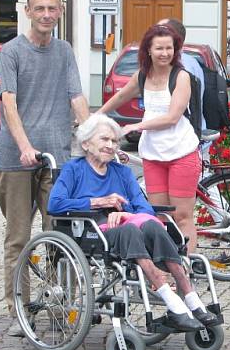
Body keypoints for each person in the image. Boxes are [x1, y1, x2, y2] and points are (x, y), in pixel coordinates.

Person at [48, 114, 218, 330]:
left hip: (129, 226)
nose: (110, 146)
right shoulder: (74, 169)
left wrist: (127, 215)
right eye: (104, 140)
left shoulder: (123, 172)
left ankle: (191, 299)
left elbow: (144, 208)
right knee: (131, 231)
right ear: (86, 144)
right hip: (92, 230)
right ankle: (172, 301)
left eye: (114, 141)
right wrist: (98, 202)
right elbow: (55, 204)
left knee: (153, 225)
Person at [0, 0, 90, 338]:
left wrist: (94, 135)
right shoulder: (12, 52)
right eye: (40, 9)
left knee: (61, 235)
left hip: (57, 159)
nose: (46, 15)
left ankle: (58, 304)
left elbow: (77, 96)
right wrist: (23, 145)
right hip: (16, 158)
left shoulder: (64, 51)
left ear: (60, 12)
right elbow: (9, 102)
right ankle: (18, 310)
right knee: (18, 238)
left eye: (52, 9)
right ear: (28, 11)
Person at [97, 24, 201, 252]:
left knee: (182, 216)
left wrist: (136, 126)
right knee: (158, 216)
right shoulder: (143, 76)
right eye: (159, 49)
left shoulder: (181, 76)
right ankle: (165, 267)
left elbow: (173, 117)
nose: (165, 53)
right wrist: (95, 117)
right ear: (148, 51)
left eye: (169, 48)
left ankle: (186, 267)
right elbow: (121, 95)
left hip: (181, 152)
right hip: (153, 155)